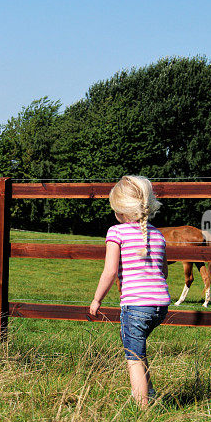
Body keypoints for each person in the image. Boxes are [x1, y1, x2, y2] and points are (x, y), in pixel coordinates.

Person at [89, 175, 170, 409]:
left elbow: (110, 271)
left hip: (135, 307)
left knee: (133, 357)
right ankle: (151, 393)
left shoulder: (117, 232)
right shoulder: (158, 235)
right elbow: (163, 271)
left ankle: (142, 409)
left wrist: (97, 299)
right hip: (160, 306)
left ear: (121, 210)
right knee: (139, 350)